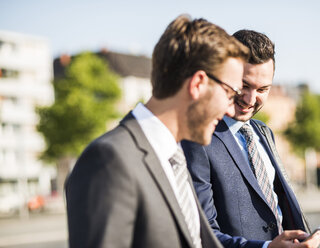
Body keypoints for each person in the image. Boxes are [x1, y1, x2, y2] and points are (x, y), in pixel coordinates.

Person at [65, 15, 250, 248]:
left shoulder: (176, 157)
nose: (230, 108)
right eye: (230, 93)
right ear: (198, 84)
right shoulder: (109, 160)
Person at [181, 30, 320, 248]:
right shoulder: (197, 138)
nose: (250, 99)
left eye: (262, 89)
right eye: (244, 85)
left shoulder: (264, 132)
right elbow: (202, 233)